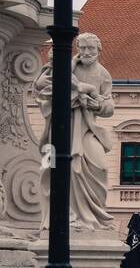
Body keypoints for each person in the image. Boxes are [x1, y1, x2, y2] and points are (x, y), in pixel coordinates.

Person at [35, 32, 115, 233]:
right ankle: (68, 216)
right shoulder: (66, 66)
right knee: (55, 167)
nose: (87, 52)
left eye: (91, 48)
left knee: (100, 167)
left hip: (87, 128)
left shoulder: (103, 74)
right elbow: (41, 85)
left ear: (99, 50)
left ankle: (92, 218)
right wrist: (78, 86)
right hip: (62, 127)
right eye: (83, 48)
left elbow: (109, 106)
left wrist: (95, 103)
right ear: (78, 50)